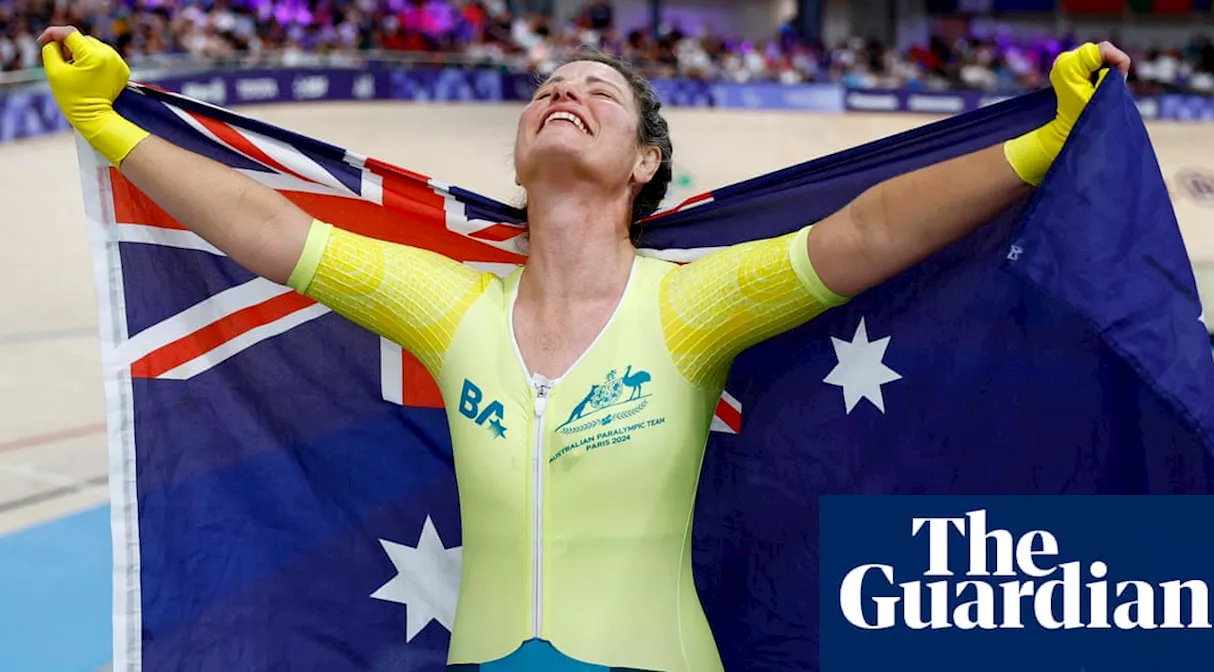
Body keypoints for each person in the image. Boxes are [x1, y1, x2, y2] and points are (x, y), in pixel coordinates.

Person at [38, 24, 1130, 672]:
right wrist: (111, 126)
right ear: (518, 158)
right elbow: (272, 230)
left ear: (645, 162)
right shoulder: (447, 305)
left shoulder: (693, 307)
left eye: (596, 91)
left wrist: (1036, 142)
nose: (564, 91)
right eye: (548, 88)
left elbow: (869, 230)